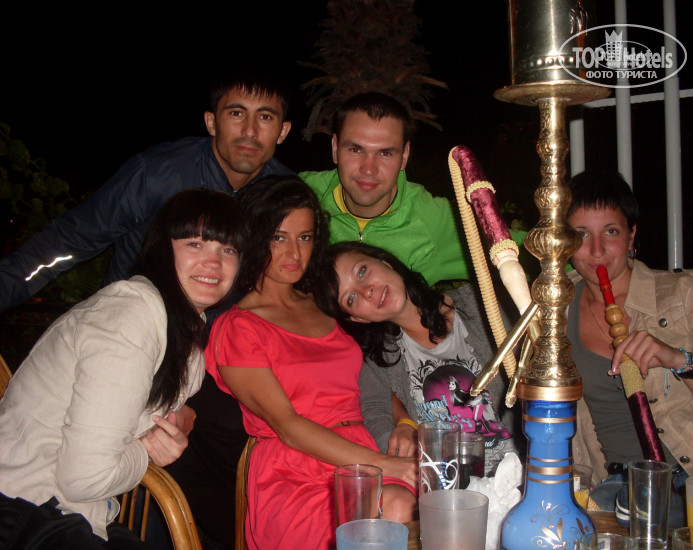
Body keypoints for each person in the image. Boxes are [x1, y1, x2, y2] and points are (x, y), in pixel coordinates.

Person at [0, 188, 245, 549]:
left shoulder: (187, 337)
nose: (213, 262)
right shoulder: (130, 315)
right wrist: (144, 449)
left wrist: (177, 418)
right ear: (163, 250)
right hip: (23, 507)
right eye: (194, 244)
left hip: (80, 513)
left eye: (228, 250)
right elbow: (85, 478)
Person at [205, 176, 417, 550]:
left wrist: (403, 422)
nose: (294, 253)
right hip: (296, 468)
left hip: (364, 450)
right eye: (279, 237)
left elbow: (367, 380)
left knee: (420, 504)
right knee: (391, 509)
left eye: (304, 237)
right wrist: (384, 464)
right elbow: (287, 426)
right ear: (254, 237)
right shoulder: (237, 328)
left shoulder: (324, 303)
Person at [0, 68, 294, 315]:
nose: (249, 131)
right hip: (133, 323)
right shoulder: (157, 174)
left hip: (217, 343)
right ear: (212, 122)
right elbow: (68, 240)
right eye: (236, 113)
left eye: (265, 117)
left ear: (282, 131)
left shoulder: (286, 195)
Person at [564, 170, 693, 523]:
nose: (596, 250)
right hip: (611, 485)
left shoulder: (685, 294)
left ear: (631, 235)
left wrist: (679, 359)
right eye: (581, 234)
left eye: (611, 231)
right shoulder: (554, 306)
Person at [316, 241, 518, 476]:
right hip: (453, 488)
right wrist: (406, 440)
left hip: (533, 468)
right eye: (351, 298)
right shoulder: (377, 359)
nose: (366, 291)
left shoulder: (482, 301)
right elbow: (375, 413)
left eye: (362, 272)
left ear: (386, 262)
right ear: (358, 319)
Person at [299, 91, 479, 287]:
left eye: (385, 153)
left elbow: (502, 254)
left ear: (404, 156)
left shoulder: (434, 219)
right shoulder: (302, 195)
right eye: (355, 150)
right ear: (335, 148)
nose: (368, 169)